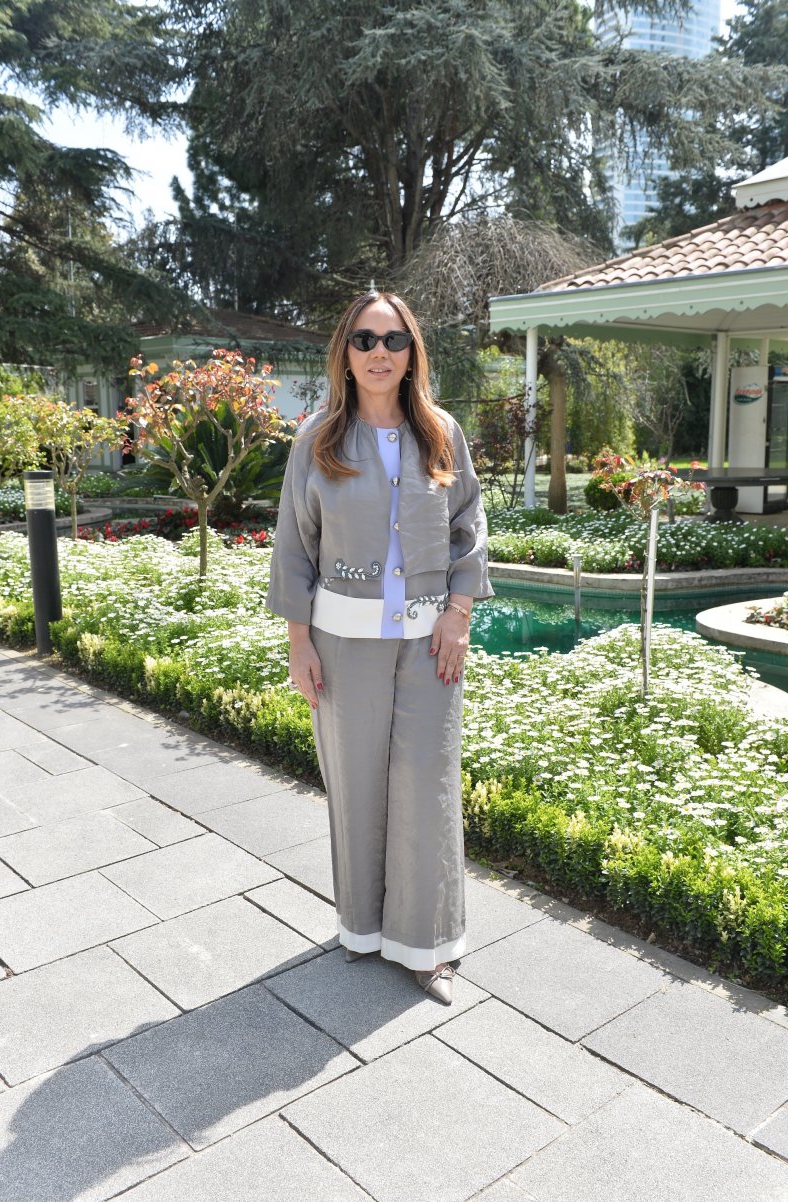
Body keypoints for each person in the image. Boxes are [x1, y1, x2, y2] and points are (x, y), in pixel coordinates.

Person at [266, 291, 493, 1005]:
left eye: (393, 339)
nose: (379, 352)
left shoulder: (441, 432)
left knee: (426, 787)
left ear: (412, 352)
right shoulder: (318, 438)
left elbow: (468, 526)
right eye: (364, 339)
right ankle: (363, 929)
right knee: (356, 787)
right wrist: (299, 642)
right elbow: (294, 544)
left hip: (430, 646)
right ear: (345, 352)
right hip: (343, 645)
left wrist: (458, 614)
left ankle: (428, 949)